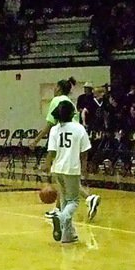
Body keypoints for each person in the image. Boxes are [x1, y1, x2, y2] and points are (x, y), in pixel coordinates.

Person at [44, 101, 90, 244]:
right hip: (71, 168)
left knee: (64, 201)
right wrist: (84, 169)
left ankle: (67, 234)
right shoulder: (79, 128)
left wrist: (47, 165)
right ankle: (61, 217)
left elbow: (51, 151)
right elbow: (84, 152)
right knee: (74, 201)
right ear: (72, 113)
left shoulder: (55, 129)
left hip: (57, 168)